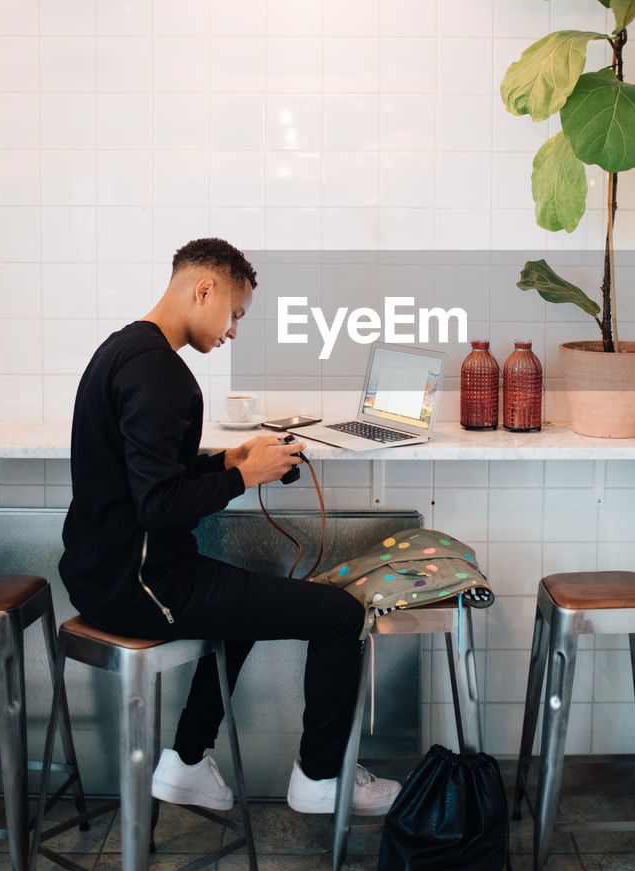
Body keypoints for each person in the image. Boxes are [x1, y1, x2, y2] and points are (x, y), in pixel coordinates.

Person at [59, 236, 399, 816]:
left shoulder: (121, 351)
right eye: (235, 314)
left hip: (104, 575)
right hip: (145, 587)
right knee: (341, 617)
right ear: (204, 289)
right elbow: (159, 506)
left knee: (242, 606)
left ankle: (187, 762)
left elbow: (146, 473)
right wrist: (247, 479)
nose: (233, 331)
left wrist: (228, 462)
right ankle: (319, 778)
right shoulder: (162, 375)